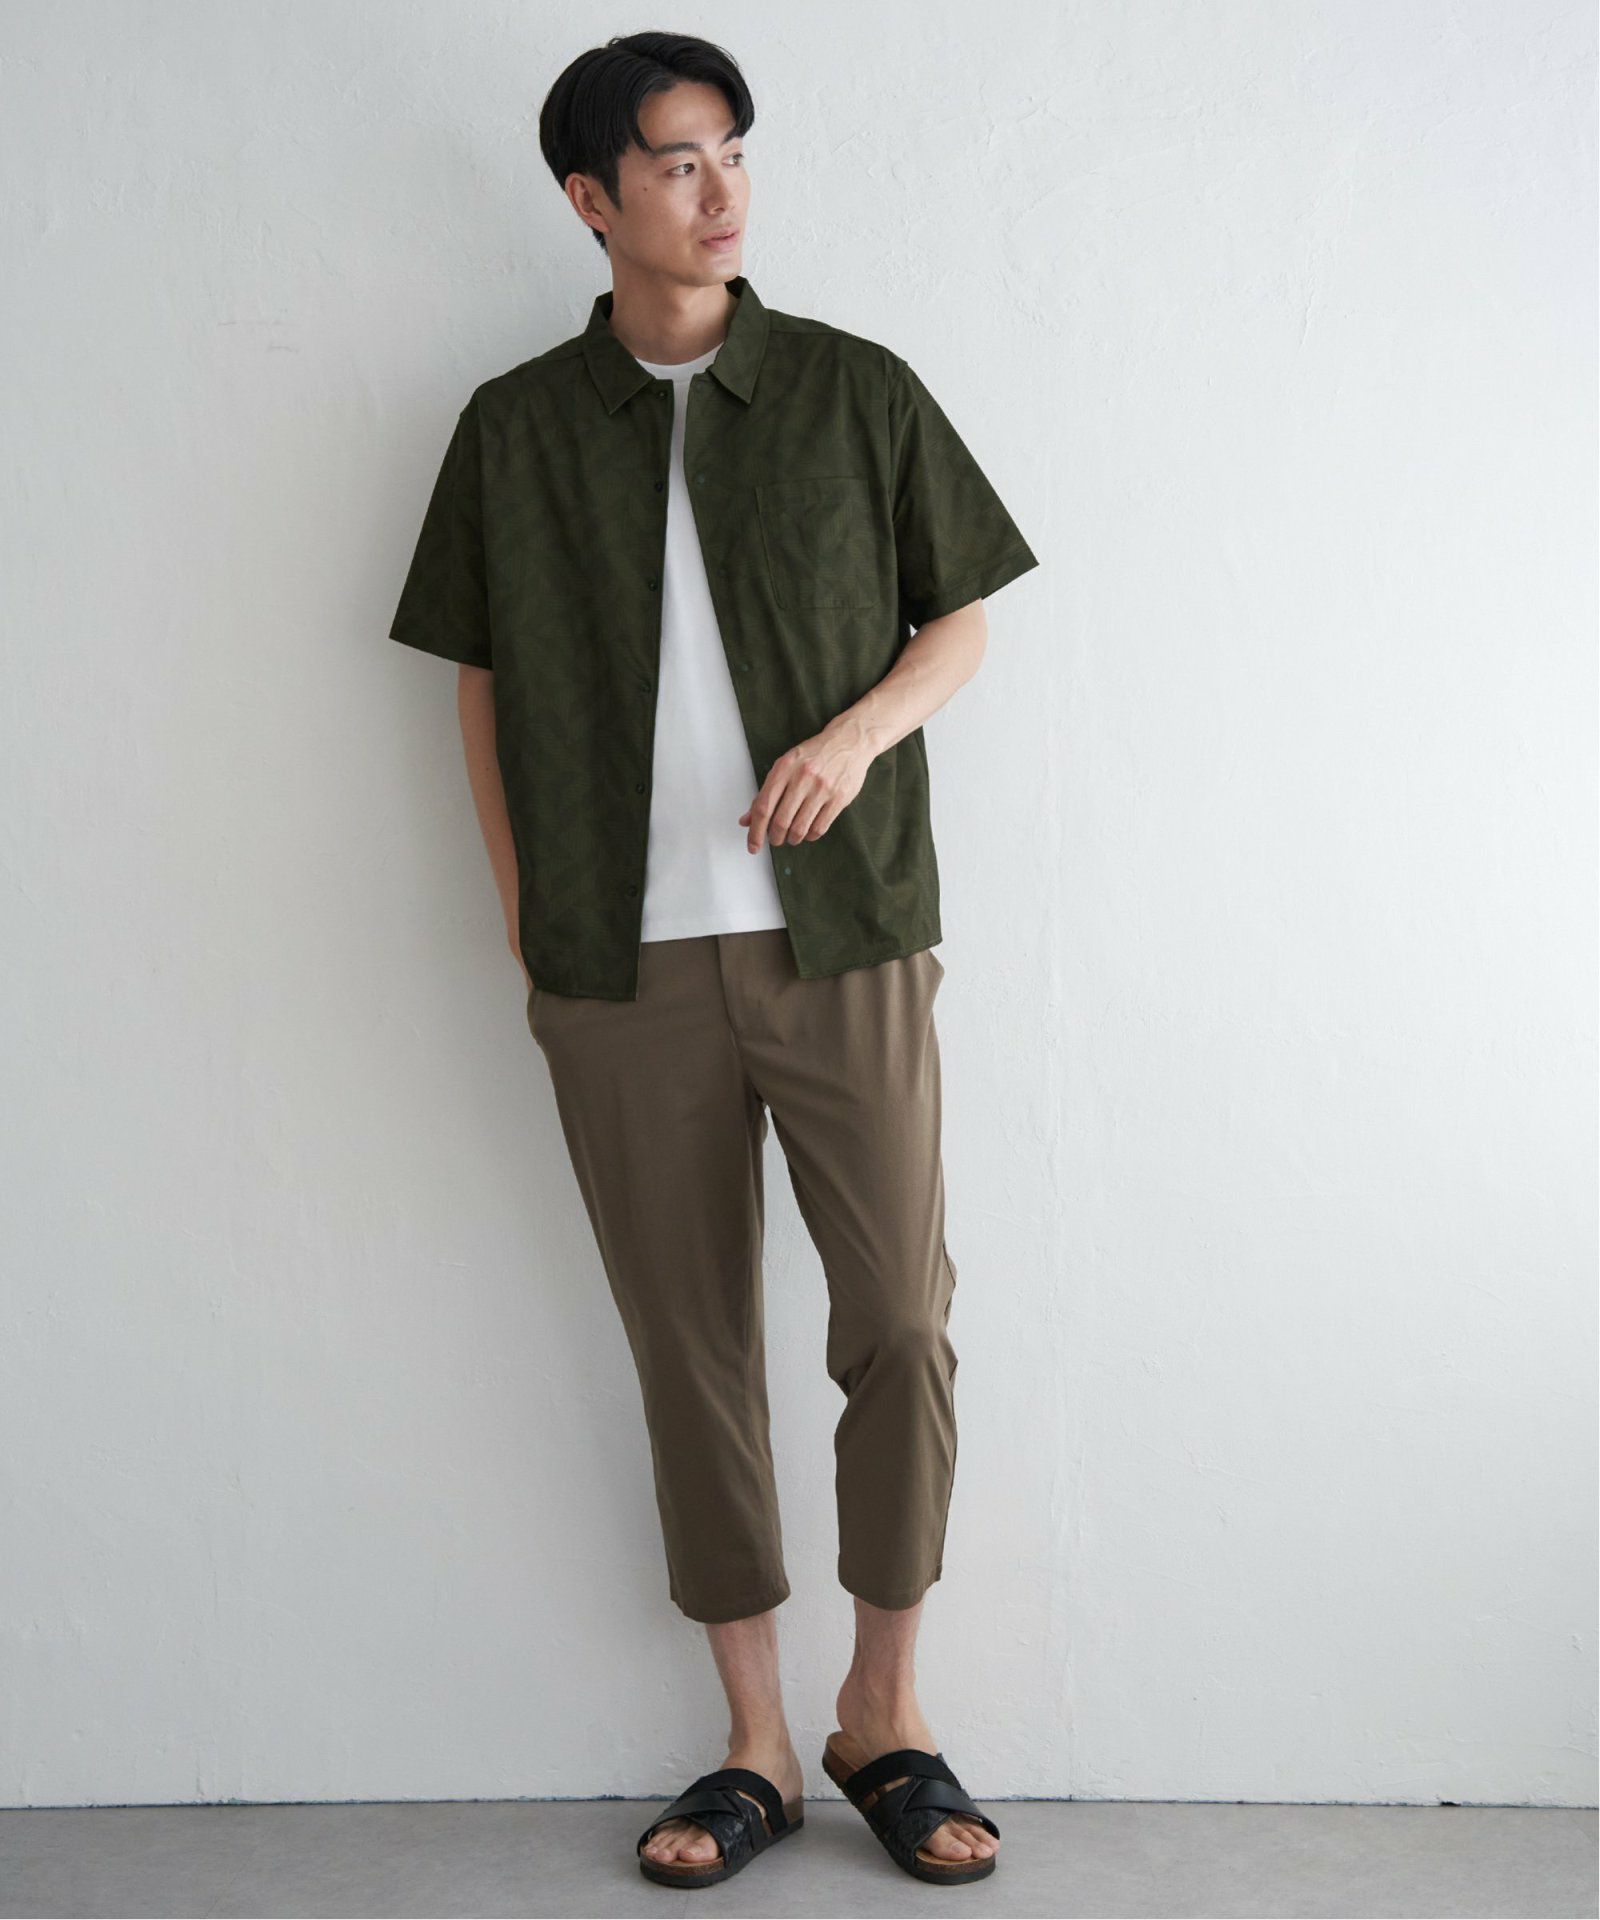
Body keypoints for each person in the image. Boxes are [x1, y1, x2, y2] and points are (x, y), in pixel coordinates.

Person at [387, 29, 1039, 1892]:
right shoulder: (514, 426)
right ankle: (753, 1738)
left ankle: (881, 1712)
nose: (720, 188)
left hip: (844, 938)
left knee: (899, 1322)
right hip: (621, 965)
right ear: (592, 200)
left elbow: (959, 620)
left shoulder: (852, 389)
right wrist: (526, 906)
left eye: (732, 150)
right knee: (691, 1350)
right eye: (676, 163)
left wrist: (854, 738)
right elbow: (477, 678)